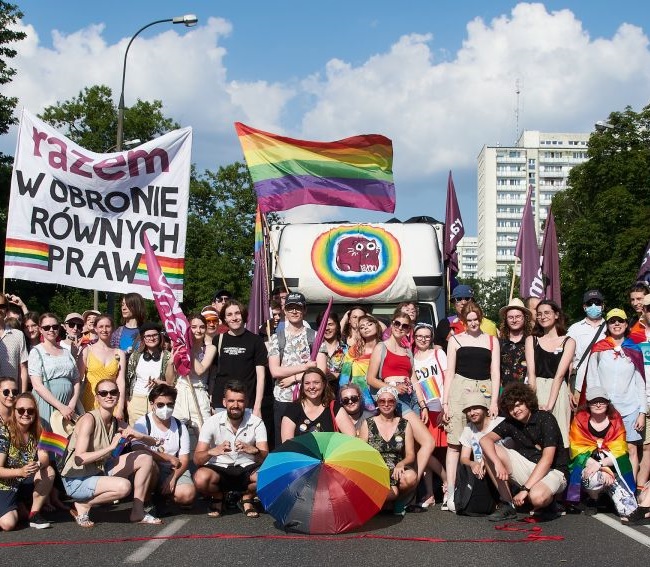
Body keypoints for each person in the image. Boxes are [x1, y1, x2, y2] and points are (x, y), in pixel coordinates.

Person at [60, 379, 161, 527]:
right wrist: (110, 448)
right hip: (77, 480)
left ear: (119, 395)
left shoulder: (115, 421)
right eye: (103, 393)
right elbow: (79, 459)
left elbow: (154, 442)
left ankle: (138, 512)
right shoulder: (89, 419)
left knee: (145, 457)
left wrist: (140, 436)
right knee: (124, 487)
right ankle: (84, 504)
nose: (109, 396)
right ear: (97, 397)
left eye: (113, 392)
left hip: (97, 471)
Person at [442, 302, 500, 512]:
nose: (474, 323)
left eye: (477, 319)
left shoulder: (492, 341)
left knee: (485, 439)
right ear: (464, 321)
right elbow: (449, 372)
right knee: (454, 442)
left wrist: (494, 401)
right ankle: (450, 492)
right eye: (470, 320)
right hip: (460, 387)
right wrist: (445, 402)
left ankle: (490, 492)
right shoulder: (455, 339)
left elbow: (495, 373)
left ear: (481, 319)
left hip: (484, 388)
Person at [480, 383, 568, 522]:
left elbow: (547, 460)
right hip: (527, 466)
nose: (515, 410)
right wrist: (497, 463)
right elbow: (485, 440)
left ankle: (549, 503)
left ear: (528, 402)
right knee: (488, 451)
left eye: (518, 404)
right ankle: (508, 504)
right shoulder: (511, 422)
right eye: (511, 408)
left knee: (537, 498)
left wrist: (525, 490)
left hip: (553, 471)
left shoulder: (546, 419)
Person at [366, 308, 434, 485]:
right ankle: (409, 488)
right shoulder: (381, 347)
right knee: (428, 442)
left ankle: (416, 490)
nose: (400, 327)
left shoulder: (407, 350)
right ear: (392, 324)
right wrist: (393, 387)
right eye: (397, 323)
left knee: (416, 446)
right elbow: (371, 379)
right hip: (395, 401)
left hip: (412, 399)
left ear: (409, 329)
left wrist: (423, 404)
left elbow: (414, 378)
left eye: (405, 325)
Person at [193, 380, 269, 518]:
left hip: (247, 466)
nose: (235, 405)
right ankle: (218, 497)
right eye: (231, 401)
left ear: (246, 402)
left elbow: (266, 457)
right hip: (219, 467)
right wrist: (211, 451)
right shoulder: (211, 422)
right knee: (200, 478)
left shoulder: (257, 422)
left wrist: (255, 450)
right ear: (224, 402)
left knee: (268, 477)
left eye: (240, 401)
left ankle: (246, 498)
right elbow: (197, 459)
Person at [586, 308, 646, 479]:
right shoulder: (599, 349)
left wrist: (642, 412)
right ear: (608, 325)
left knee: (631, 449)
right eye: (612, 321)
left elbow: (640, 382)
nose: (616, 324)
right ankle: (606, 489)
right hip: (605, 409)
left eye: (620, 320)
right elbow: (592, 379)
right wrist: (593, 406)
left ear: (626, 324)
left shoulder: (634, 349)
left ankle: (630, 489)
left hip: (630, 408)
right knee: (605, 449)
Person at [567, 386, 636, 516]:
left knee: (629, 511)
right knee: (593, 479)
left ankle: (610, 495)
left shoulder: (616, 419)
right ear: (588, 404)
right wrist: (599, 469)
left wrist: (602, 466)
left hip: (614, 467)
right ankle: (594, 499)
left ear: (607, 403)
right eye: (594, 401)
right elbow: (578, 449)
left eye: (602, 401)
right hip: (590, 466)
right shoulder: (579, 420)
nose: (598, 404)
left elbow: (620, 451)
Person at [268, 292, 327, 443]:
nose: (294, 311)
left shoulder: (315, 337)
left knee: (309, 443)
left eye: (298, 308)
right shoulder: (277, 338)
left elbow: (321, 371)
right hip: (283, 398)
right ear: (285, 311)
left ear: (304, 310)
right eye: (290, 308)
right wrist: (305, 367)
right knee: (283, 445)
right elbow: (275, 371)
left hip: (309, 400)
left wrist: (294, 378)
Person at [132, 384, 195, 515]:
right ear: (152, 404)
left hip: (172, 469)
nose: (165, 409)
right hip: (152, 467)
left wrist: (172, 477)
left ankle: (163, 495)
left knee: (187, 495)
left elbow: (184, 459)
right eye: (160, 405)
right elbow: (136, 447)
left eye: (170, 404)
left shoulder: (180, 426)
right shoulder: (142, 423)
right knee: (148, 463)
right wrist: (166, 457)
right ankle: (147, 499)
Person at [0, 393, 55, 530]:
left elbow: (44, 458)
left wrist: (37, 464)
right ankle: (19, 507)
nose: (26, 414)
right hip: (5, 484)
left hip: (25, 481)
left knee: (48, 471)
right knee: (8, 524)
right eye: (21, 410)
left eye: (30, 411)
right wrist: (20, 471)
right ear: (14, 411)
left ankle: (33, 514)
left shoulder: (40, 429)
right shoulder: (4, 432)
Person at [359, 386, 417, 516]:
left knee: (411, 477)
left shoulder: (404, 424)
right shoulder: (368, 423)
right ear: (377, 403)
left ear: (395, 403)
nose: (386, 404)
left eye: (390, 401)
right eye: (382, 401)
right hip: (375, 468)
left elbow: (410, 455)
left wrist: (401, 464)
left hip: (395, 468)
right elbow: (361, 452)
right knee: (391, 494)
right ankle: (382, 503)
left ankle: (397, 501)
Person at [525, 300, 575, 448]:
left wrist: (550, 405)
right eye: (539, 314)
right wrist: (533, 401)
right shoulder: (532, 340)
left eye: (547, 312)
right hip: (537, 390)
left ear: (556, 315)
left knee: (559, 435)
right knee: (537, 437)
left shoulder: (568, 341)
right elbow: (531, 374)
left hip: (558, 391)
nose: (543, 316)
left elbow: (560, 376)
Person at [209, 300, 267, 417]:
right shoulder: (218, 340)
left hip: (246, 403)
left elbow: (261, 376)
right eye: (229, 315)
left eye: (237, 313)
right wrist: (211, 399)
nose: (234, 318)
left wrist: (257, 406)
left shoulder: (256, 341)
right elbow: (213, 373)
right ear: (224, 319)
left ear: (243, 315)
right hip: (221, 403)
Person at [412, 322, 448, 508]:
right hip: (422, 409)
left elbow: (448, 377)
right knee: (423, 450)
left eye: (426, 336)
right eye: (419, 336)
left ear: (431, 337)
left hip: (439, 406)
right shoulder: (412, 358)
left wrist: (446, 405)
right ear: (414, 337)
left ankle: (449, 485)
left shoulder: (438, 353)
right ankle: (430, 493)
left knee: (446, 450)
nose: (423, 339)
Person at [456, 392, 504, 515]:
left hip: (501, 468)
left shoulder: (499, 423)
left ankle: (506, 500)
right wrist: (472, 463)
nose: (472, 413)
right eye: (468, 410)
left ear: (484, 409)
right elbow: (464, 458)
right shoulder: (468, 428)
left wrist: (485, 460)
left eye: (476, 408)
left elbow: (510, 450)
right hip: (481, 472)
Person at [28, 313, 80, 425]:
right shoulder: (36, 352)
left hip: (68, 405)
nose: (51, 330)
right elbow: (37, 385)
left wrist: (72, 404)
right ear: (40, 330)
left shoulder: (66, 352)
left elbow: (76, 380)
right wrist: (60, 406)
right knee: (47, 439)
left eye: (54, 327)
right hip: (46, 403)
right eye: (47, 327)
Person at [280, 368, 355, 442]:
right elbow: (287, 446)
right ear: (302, 386)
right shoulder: (292, 410)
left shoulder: (335, 407)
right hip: (300, 454)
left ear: (324, 384)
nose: (311, 387)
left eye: (316, 382)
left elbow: (352, 440)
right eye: (307, 383)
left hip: (330, 454)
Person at [173, 314, 216, 434]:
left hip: (200, 394)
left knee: (205, 437)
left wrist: (188, 350)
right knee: (176, 435)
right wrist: (173, 360)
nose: (198, 330)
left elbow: (200, 370)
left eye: (202, 327)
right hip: (181, 393)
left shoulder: (210, 348)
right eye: (194, 327)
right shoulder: (180, 347)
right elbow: (171, 376)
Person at [126, 323, 175, 426]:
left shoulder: (167, 356)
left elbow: (172, 384)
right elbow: (128, 381)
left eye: (155, 335)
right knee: (136, 435)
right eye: (148, 336)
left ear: (159, 336)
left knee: (157, 433)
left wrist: (160, 382)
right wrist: (128, 403)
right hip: (136, 401)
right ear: (143, 338)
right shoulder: (135, 356)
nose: (151, 338)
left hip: (158, 401)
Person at [79, 315, 127, 420]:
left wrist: (120, 408)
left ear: (113, 328)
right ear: (95, 329)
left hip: (111, 401)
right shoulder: (87, 350)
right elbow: (78, 380)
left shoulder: (119, 353)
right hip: (91, 401)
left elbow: (121, 382)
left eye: (108, 326)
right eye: (101, 327)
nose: (104, 330)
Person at [567, 290, 607, 403]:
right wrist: (568, 389)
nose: (594, 306)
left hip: (604, 385)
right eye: (590, 303)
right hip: (579, 386)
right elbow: (568, 360)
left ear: (602, 306)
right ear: (584, 307)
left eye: (597, 302)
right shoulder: (574, 329)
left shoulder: (610, 328)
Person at [434, 285, 498, 352]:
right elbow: (438, 352)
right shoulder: (445, 324)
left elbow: (493, 352)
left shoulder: (488, 324)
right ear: (453, 303)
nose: (463, 302)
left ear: (473, 302)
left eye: (467, 298)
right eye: (459, 299)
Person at [339, 314, 382, 412]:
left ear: (376, 325)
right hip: (357, 398)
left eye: (369, 324)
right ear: (360, 332)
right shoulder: (354, 349)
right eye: (362, 327)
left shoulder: (385, 347)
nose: (366, 328)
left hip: (380, 393)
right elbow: (345, 376)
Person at [498, 298, 533, 387]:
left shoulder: (532, 342)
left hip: (526, 392)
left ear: (524, 318)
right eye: (510, 317)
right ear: (506, 319)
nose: (514, 320)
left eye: (518, 317)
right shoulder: (500, 343)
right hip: (504, 392)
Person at [0, 294, 29, 393]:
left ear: (6, 310)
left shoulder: (18, 335)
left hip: (11, 396)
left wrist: (22, 396)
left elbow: (23, 369)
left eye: (2, 306)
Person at [317, 310, 346, 393]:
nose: (326, 328)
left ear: (337, 326)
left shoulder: (347, 349)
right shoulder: (314, 349)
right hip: (319, 394)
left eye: (330, 324)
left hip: (341, 394)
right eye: (323, 325)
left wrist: (339, 375)